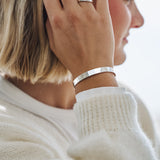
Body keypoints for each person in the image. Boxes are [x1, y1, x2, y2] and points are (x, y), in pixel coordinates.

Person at [0, 0, 159, 159]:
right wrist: (96, 77)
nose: (140, 20)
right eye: (127, 1)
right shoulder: (7, 138)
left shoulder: (130, 105)